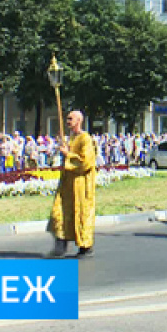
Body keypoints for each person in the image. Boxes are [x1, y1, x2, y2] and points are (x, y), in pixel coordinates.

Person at [48, 110, 97, 258]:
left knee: (81, 213)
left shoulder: (85, 138)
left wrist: (67, 155)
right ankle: (60, 243)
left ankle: (85, 246)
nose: (68, 121)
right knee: (59, 211)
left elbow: (86, 162)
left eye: (71, 119)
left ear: (79, 121)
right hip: (68, 183)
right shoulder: (71, 138)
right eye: (67, 119)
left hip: (81, 184)